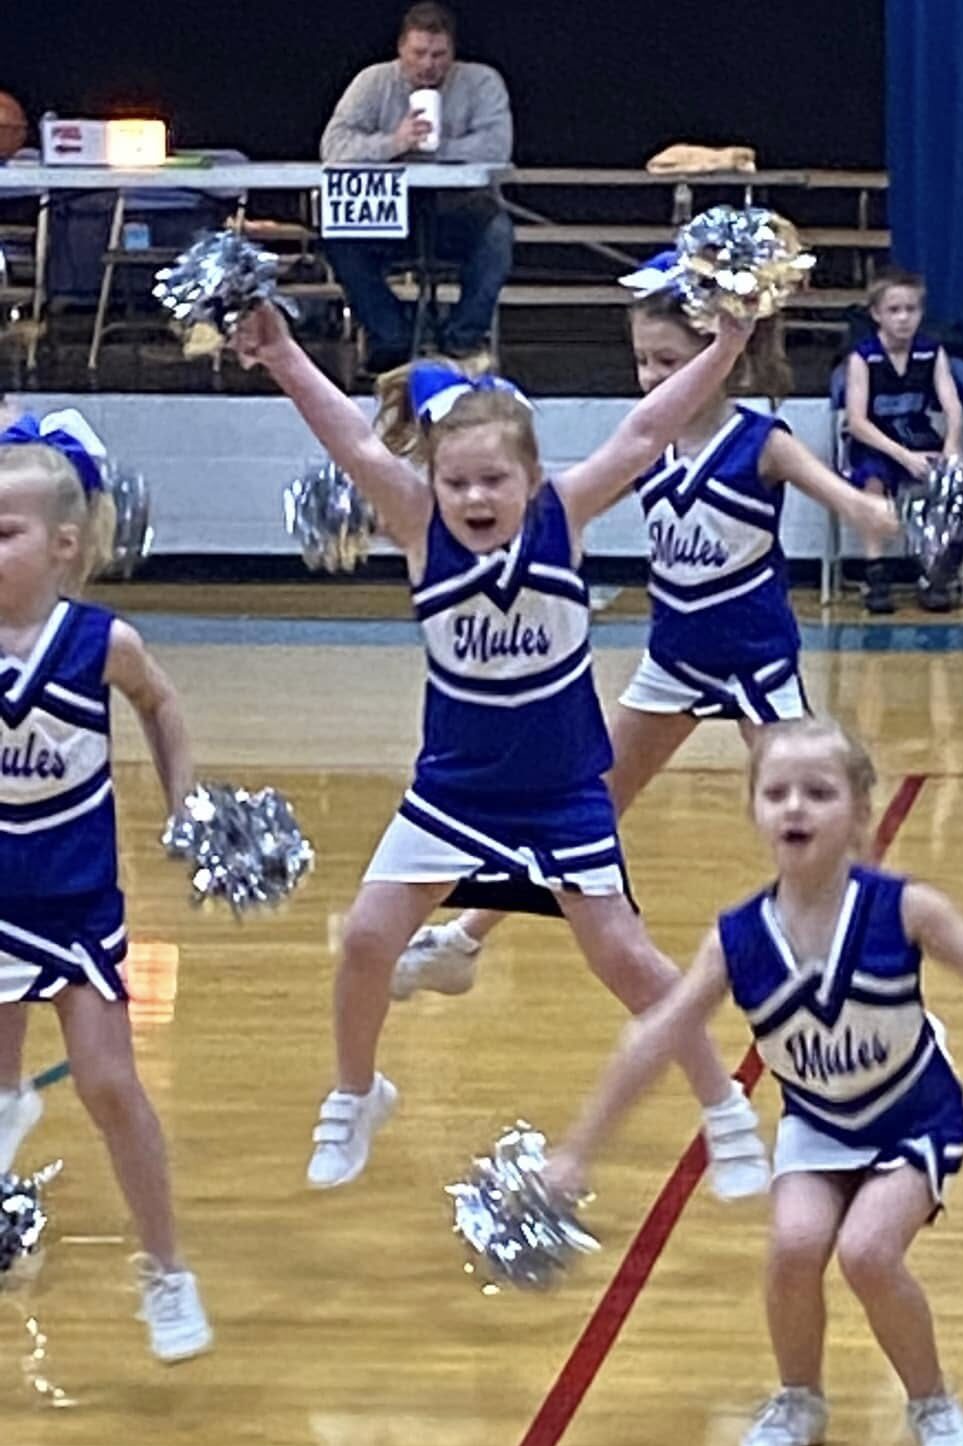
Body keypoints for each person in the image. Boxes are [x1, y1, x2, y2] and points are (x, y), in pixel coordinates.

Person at [232, 303, 769, 1198]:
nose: (476, 499)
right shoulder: (419, 525)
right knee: (366, 939)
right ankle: (357, 1092)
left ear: (531, 479)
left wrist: (726, 345)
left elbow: (645, 431)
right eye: (458, 483)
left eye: (494, 481)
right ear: (433, 483)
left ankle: (724, 1106)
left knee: (627, 959)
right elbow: (355, 445)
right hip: (456, 791)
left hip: (562, 793)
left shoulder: (565, 513)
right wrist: (284, 352)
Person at [541, 717, 963, 1446]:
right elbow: (652, 1039)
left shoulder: (902, 909)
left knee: (867, 1252)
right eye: (776, 793)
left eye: (818, 792)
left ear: (861, 812)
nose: (795, 807)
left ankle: (932, 1401)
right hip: (819, 1120)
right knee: (794, 1247)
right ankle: (799, 1398)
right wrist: (577, 1151)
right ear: (753, 811)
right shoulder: (737, 938)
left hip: (914, 1116)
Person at [392, 263, 898, 1000]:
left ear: (716, 355)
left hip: (757, 667)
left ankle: (863, 942)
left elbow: (839, 496)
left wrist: (869, 511)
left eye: (668, 360)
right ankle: (462, 941)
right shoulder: (647, 447)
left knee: (815, 794)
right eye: (643, 361)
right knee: (582, 805)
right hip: (674, 663)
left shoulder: (760, 441)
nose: (653, 376)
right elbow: (555, 502)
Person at [0, 410, 212, 1362]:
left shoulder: (100, 642)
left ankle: (166, 1269)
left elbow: (161, 704)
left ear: (63, 546)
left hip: (77, 902)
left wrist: (185, 803)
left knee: (110, 1086)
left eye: (4, 532)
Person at [320, 2, 514, 372]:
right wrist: (394, 143)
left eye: (439, 55)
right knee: (338, 238)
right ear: (401, 50)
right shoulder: (373, 82)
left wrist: (435, 149)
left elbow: (496, 147)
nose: (428, 65)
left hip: (458, 210)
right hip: (386, 213)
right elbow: (334, 146)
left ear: (453, 52)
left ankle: (461, 340)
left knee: (497, 234)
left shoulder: (482, 82)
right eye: (419, 54)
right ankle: (392, 336)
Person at [842, 269, 963, 614]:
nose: (903, 318)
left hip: (916, 431)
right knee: (873, 483)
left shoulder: (931, 352)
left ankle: (934, 570)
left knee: (944, 482)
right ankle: (875, 572)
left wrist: (952, 445)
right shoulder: (863, 357)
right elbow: (857, 422)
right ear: (876, 314)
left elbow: (953, 406)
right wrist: (903, 456)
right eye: (894, 310)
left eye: (911, 310)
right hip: (876, 439)